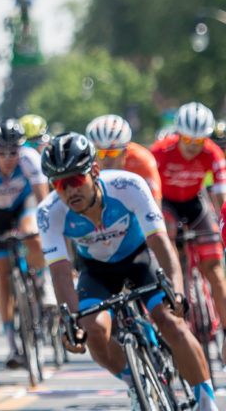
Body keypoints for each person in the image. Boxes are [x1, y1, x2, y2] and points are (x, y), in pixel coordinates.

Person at [38, 132, 218, 411]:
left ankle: (207, 402)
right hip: (96, 270)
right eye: (59, 184)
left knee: (169, 319)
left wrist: (177, 292)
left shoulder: (128, 185)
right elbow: (61, 273)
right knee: (94, 331)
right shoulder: (49, 212)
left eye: (75, 180)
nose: (69, 191)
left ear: (94, 171)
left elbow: (161, 243)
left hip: (140, 257)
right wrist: (71, 321)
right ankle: (137, 382)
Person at [0, 118, 53, 368]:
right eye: (2, 153)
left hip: (23, 205)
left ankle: (41, 281)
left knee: (31, 232)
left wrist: (47, 238)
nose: (8, 158)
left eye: (13, 152)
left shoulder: (30, 159)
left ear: (21, 149)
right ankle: (12, 345)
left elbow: (43, 203)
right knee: (2, 274)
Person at [151, 102, 226, 362]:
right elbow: (151, 197)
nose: (193, 145)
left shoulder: (213, 153)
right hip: (167, 204)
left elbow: (220, 198)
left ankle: (225, 330)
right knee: (168, 237)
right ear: (177, 133)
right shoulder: (160, 151)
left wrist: (221, 228)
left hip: (195, 205)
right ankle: (178, 317)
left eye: (199, 140)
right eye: (186, 139)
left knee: (215, 268)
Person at [86, 114, 162, 206]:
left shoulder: (141, 159)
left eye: (112, 153)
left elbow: (154, 204)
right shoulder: (88, 161)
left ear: (125, 152)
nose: (105, 159)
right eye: (100, 153)